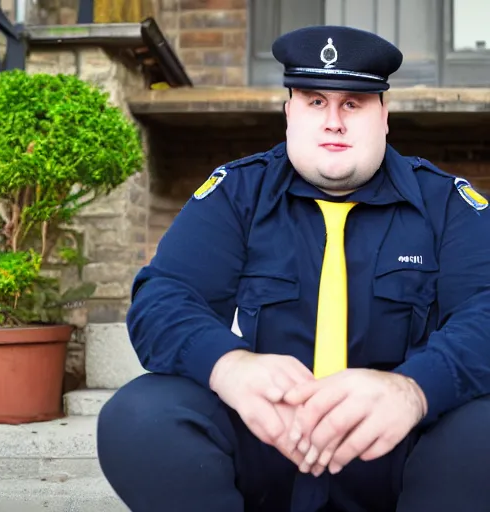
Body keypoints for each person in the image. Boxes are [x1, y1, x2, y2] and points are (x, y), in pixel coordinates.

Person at [96, 25, 490, 512]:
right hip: (266, 441)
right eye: (314, 101)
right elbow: (163, 299)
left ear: (384, 115)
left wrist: (415, 389)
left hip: (398, 447)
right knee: (139, 416)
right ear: (289, 113)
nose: (334, 122)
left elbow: (486, 309)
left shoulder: (446, 204)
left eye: (353, 103)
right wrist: (229, 367)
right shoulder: (237, 195)